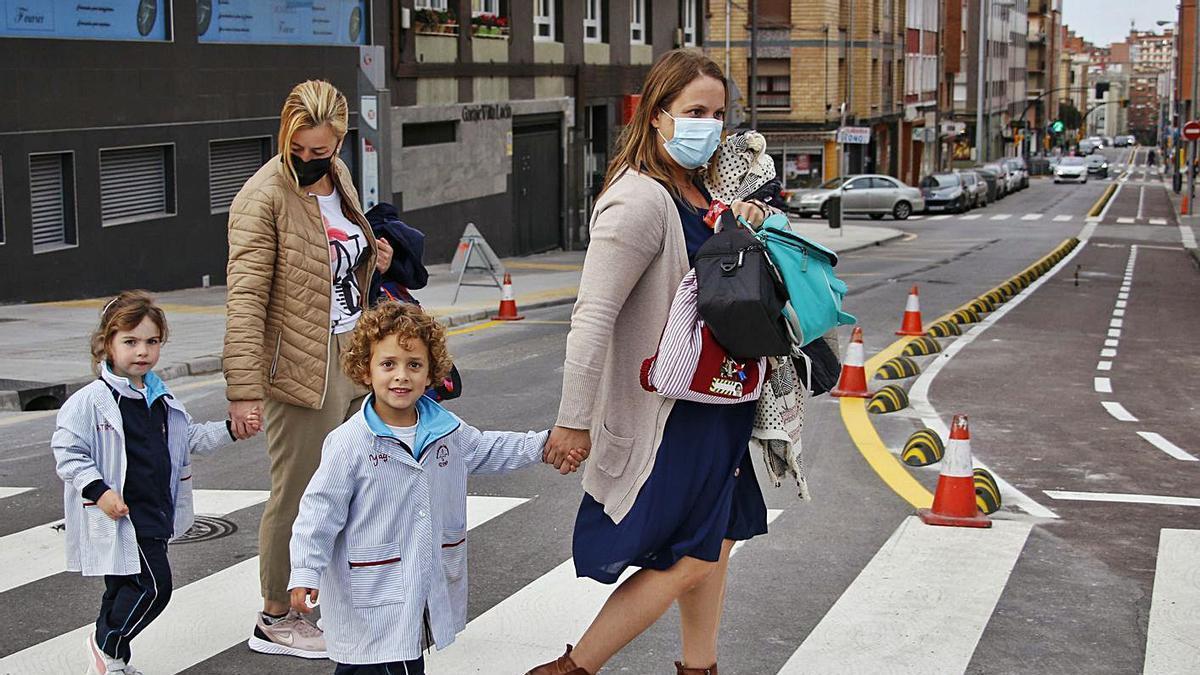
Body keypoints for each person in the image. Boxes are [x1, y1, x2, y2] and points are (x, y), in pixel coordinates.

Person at [530, 50, 770, 675]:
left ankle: (701, 667)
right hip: (672, 416)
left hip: (720, 401)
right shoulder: (638, 200)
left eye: (718, 114)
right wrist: (574, 419)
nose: (709, 126)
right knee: (691, 554)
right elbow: (592, 316)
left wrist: (744, 221)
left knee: (717, 540)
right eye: (695, 111)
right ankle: (573, 670)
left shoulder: (704, 193)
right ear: (657, 115)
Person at [287, 302, 583, 674]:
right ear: (366, 369)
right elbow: (318, 513)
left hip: (415, 592)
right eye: (388, 364)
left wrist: (546, 445)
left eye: (414, 365)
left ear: (431, 374)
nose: (401, 376)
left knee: (397, 661)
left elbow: (489, 448)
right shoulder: (350, 443)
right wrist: (304, 571)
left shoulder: (445, 429)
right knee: (382, 663)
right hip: (372, 595)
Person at [222, 79, 395, 658]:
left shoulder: (338, 179)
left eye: (319, 151)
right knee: (296, 494)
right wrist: (245, 390)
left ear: (339, 143)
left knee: (350, 486)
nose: (306, 160)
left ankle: (323, 598)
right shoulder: (261, 196)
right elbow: (245, 298)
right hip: (298, 363)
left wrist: (373, 252)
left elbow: (335, 258)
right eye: (297, 148)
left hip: (350, 353)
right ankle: (275, 617)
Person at [52, 291, 258, 675]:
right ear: (106, 345)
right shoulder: (90, 402)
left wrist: (232, 430)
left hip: (155, 509)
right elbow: (68, 454)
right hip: (123, 516)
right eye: (130, 341)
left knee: (122, 591)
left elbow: (188, 439)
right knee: (153, 587)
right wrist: (100, 492)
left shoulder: (160, 397)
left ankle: (112, 662)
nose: (142, 351)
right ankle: (106, 645)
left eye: (151, 341)